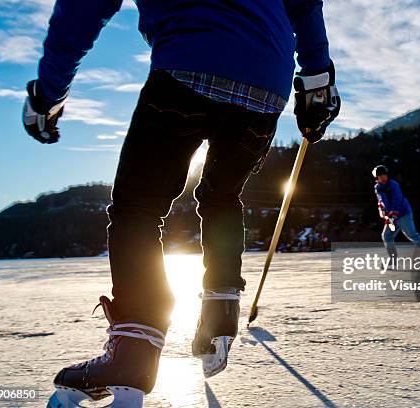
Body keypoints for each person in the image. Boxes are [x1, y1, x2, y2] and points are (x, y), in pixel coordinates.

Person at [22, 1, 340, 406]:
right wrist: (318, 80)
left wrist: (47, 94)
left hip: (187, 62)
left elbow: (84, 8)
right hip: (266, 81)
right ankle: (221, 311)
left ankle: (133, 352)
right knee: (223, 196)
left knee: (137, 208)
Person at [372, 165, 420, 259]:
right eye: (380, 176)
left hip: (403, 213)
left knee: (413, 235)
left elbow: (397, 199)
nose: (383, 177)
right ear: (376, 178)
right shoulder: (377, 187)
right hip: (391, 216)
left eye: (384, 175)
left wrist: (394, 213)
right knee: (386, 236)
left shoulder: (393, 184)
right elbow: (380, 200)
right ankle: (392, 260)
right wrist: (381, 209)